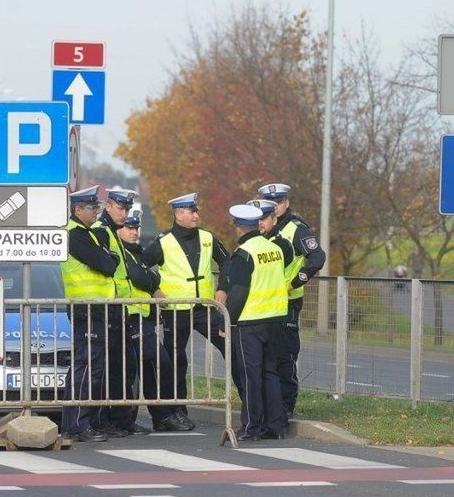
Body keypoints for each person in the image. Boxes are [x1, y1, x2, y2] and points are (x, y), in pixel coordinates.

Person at [139, 192, 230, 432]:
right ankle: (177, 411)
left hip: (205, 307)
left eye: (196, 211)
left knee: (230, 345)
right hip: (175, 311)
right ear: (179, 215)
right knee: (176, 362)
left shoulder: (208, 238)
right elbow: (140, 267)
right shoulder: (163, 241)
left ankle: (248, 401)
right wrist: (154, 288)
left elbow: (227, 262)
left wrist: (223, 288)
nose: (196, 215)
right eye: (192, 211)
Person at [258, 182, 326, 418]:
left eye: (279, 202)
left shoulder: (296, 229)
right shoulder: (262, 227)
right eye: (271, 203)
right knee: (266, 356)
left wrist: (297, 281)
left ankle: (286, 407)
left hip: (288, 302)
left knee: (285, 356)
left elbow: (317, 257)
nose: (275, 207)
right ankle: (269, 406)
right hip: (264, 303)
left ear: (286, 203)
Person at [224, 203, 291, 440]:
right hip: (275, 320)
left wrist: (226, 320)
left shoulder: (243, 254)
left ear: (239, 228)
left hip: (251, 322)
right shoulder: (274, 249)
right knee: (270, 373)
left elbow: (239, 293)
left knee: (250, 376)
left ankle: (251, 427)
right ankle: (276, 426)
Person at [59, 186, 119, 442]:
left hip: (96, 308)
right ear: (77, 209)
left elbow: (110, 260)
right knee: (87, 367)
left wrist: (109, 257)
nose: (96, 212)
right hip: (86, 308)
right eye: (92, 208)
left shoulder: (89, 233)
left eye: (96, 207)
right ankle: (79, 424)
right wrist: (109, 258)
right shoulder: (75, 235)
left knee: (92, 366)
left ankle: (81, 422)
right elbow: (107, 264)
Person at [94, 188, 154, 437]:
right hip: (106, 310)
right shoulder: (101, 231)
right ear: (108, 206)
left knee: (124, 370)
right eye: (121, 208)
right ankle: (110, 419)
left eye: (127, 209)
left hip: (121, 312)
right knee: (110, 371)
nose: (124, 213)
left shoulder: (112, 232)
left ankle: (123, 419)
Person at [109, 208, 175, 433]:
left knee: (147, 368)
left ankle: (158, 416)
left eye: (136, 227)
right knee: (150, 365)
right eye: (128, 227)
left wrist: (152, 281)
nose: (134, 232)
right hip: (130, 318)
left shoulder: (137, 252)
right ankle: (133, 419)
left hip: (141, 318)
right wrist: (153, 284)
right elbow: (139, 276)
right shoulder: (121, 252)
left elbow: (149, 275)